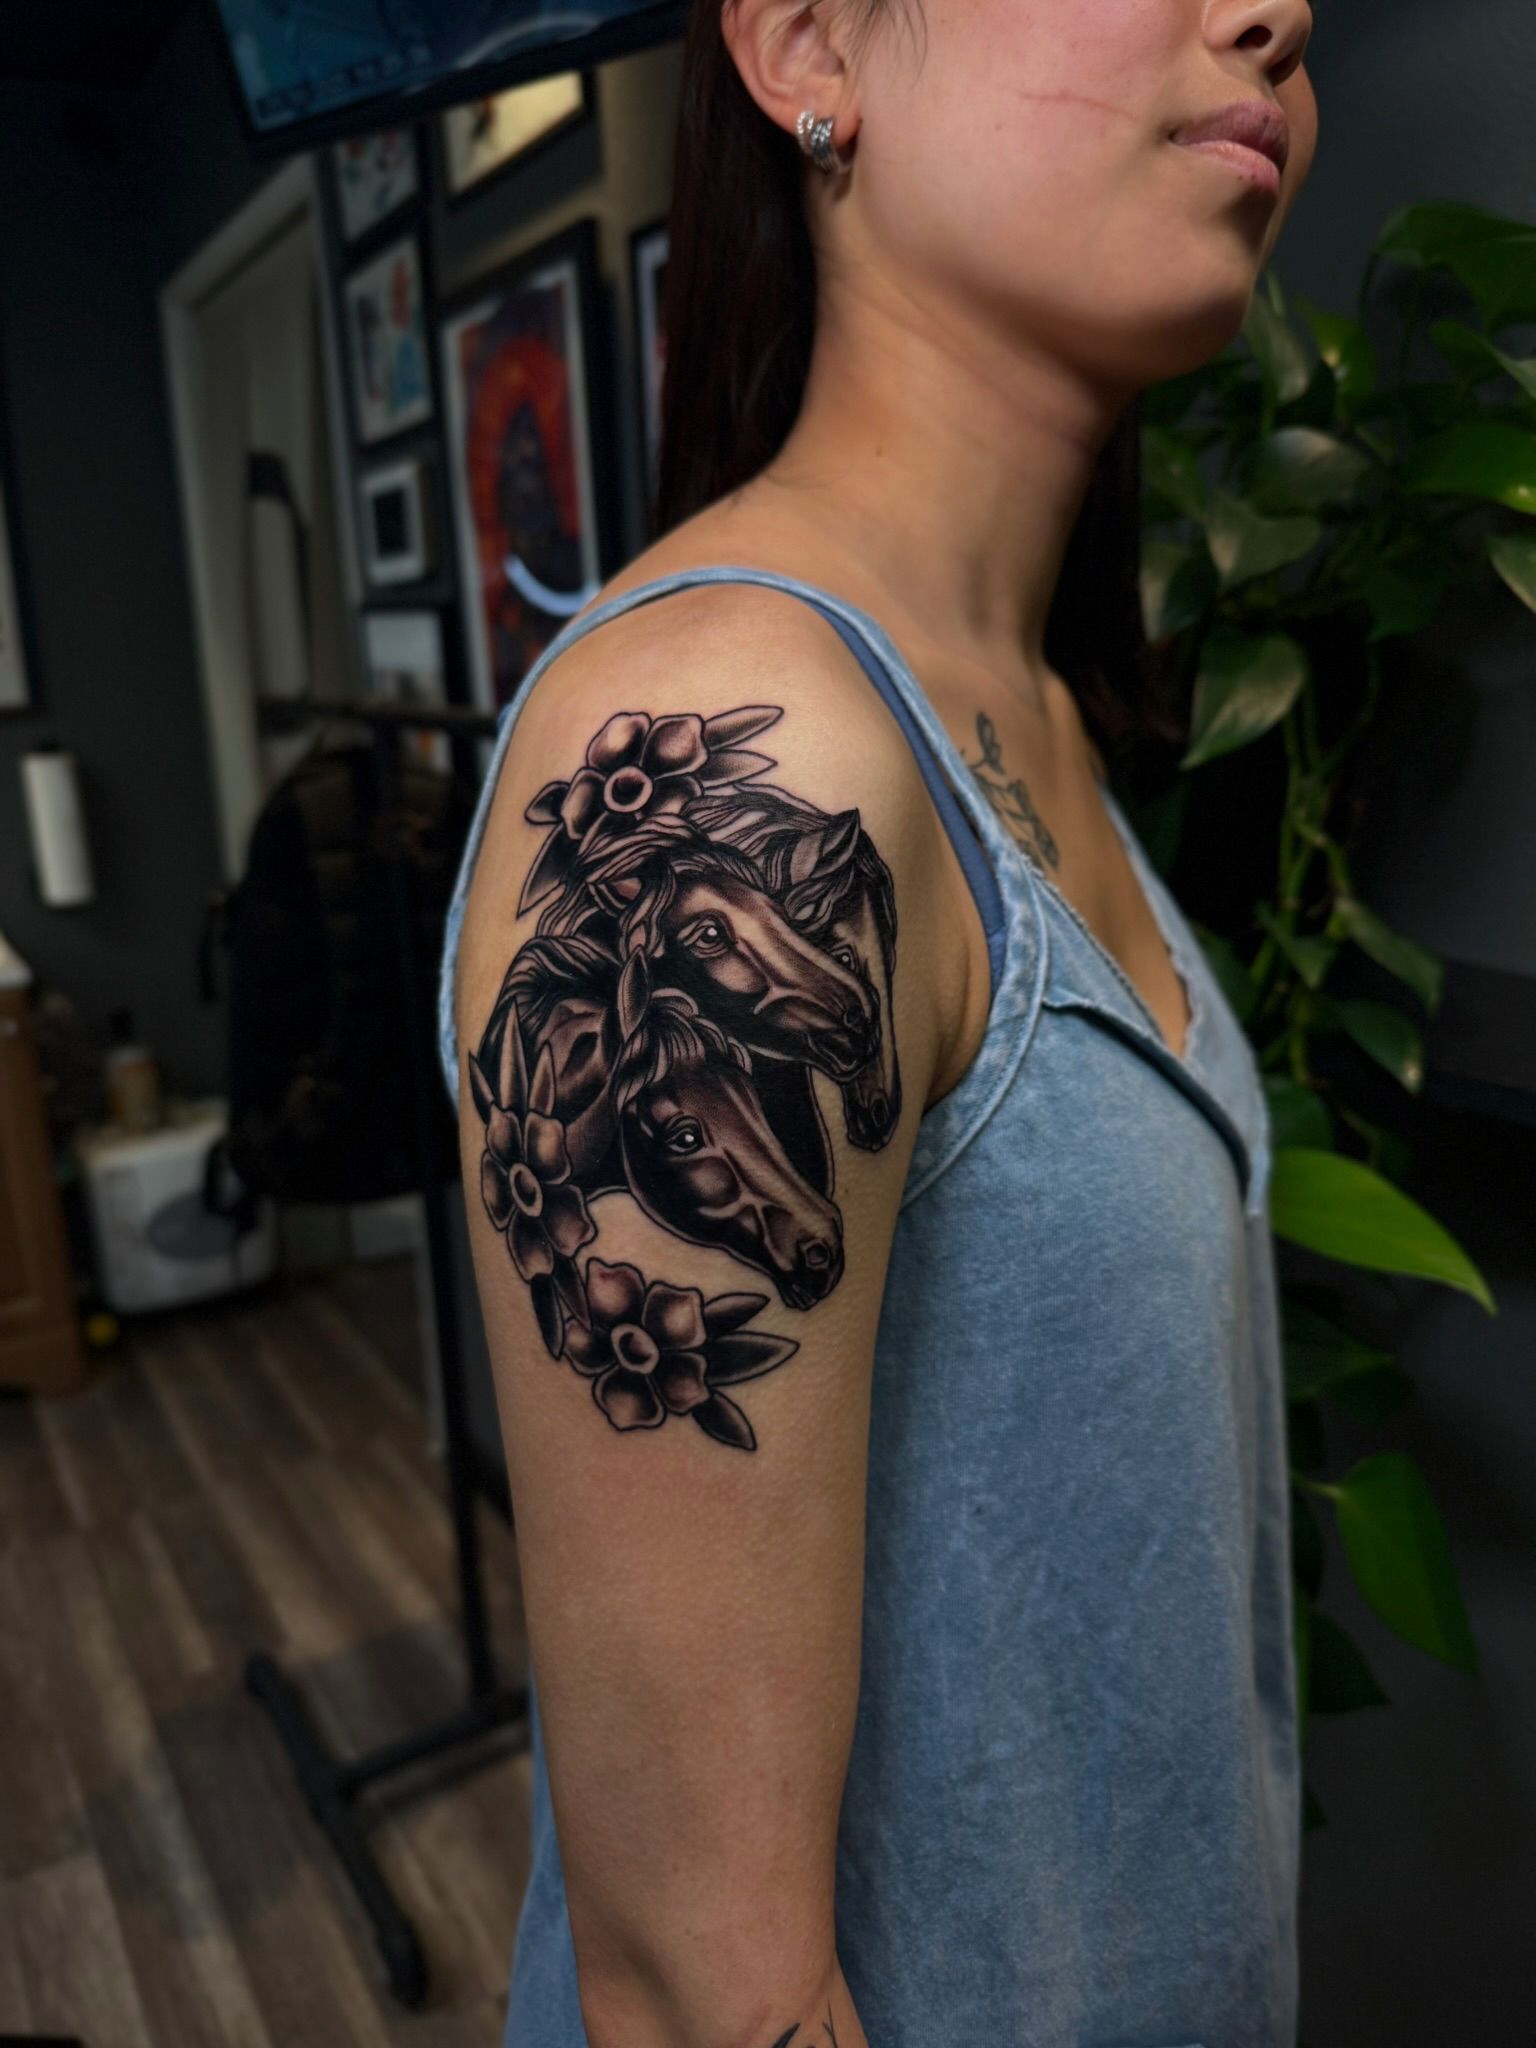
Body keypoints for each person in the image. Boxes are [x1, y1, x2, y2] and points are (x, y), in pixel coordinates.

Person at [437, 0, 1319, 2041]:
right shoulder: (747, 749)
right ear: (810, 43)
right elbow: (693, 1988)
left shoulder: (1037, 713)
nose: (1274, 14)